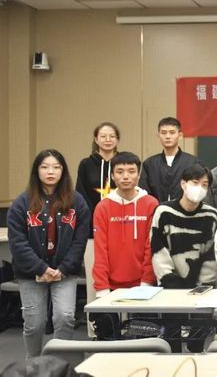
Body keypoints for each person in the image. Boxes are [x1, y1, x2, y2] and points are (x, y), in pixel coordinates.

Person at [7, 150, 90, 358]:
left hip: (65, 271)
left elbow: (79, 241)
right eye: (44, 167)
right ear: (37, 171)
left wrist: (62, 269)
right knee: (34, 324)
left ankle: (56, 364)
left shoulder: (77, 201)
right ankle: (33, 364)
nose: (50, 171)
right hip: (31, 273)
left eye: (56, 167)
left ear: (63, 171)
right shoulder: (22, 202)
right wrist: (41, 268)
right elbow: (17, 242)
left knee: (65, 317)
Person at [92, 152, 159, 298]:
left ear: (139, 175)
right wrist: (102, 288)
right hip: (111, 286)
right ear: (112, 176)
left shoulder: (151, 204)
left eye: (131, 171)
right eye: (120, 172)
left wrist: (146, 282)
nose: (126, 176)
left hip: (144, 285)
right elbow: (100, 250)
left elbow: (151, 247)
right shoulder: (103, 207)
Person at [75, 122, 120, 312]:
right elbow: (81, 195)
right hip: (93, 231)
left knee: (120, 278)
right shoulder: (86, 164)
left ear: (117, 139)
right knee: (95, 280)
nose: (108, 140)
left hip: (120, 228)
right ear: (96, 139)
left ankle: (124, 324)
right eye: (103, 136)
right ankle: (95, 325)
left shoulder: (123, 163)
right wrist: (97, 218)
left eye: (112, 136)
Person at [150, 164, 217, 289]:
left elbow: (211, 256)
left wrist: (202, 287)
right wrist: (171, 284)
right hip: (169, 289)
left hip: (202, 290)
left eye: (204, 185)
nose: (199, 188)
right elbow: (159, 253)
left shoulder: (211, 215)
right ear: (183, 184)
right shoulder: (164, 212)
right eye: (195, 183)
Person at [139, 117, 199, 202]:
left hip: (185, 209)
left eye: (172, 133)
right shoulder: (149, 164)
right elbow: (144, 193)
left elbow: (197, 190)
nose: (167, 136)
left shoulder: (192, 162)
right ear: (158, 136)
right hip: (157, 209)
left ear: (180, 135)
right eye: (163, 133)